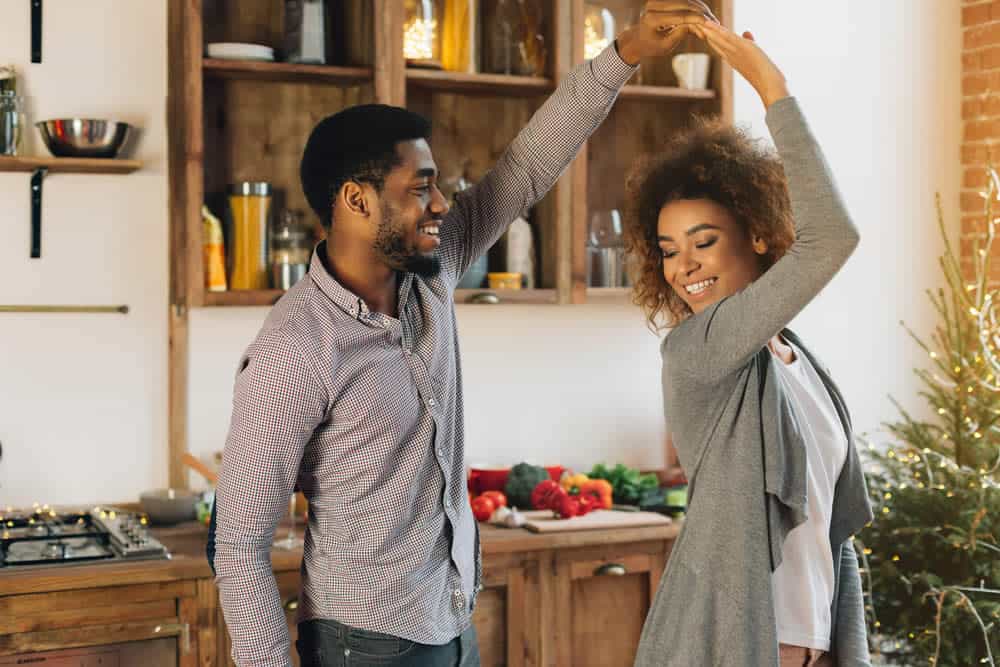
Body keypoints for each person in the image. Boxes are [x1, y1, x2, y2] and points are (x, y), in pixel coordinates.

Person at [209, 3, 719, 665]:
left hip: (450, 625)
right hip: (363, 647)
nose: (443, 204)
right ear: (356, 201)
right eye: (420, 189)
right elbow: (240, 545)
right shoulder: (296, 349)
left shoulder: (435, 268)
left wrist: (625, 51)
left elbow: (531, 163)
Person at [626, 21, 872, 667]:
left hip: (812, 640)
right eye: (668, 250)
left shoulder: (793, 356)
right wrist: (771, 85)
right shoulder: (699, 347)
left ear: (758, 234)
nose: (684, 266)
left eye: (703, 241)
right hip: (741, 642)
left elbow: (827, 525)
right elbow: (834, 236)